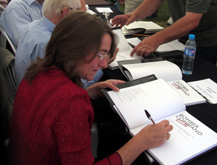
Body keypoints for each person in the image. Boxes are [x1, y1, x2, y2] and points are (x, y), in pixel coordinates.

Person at [9, 11, 172, 164]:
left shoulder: (38, 72)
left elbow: (52, 112)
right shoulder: (72, 102)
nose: (103, 63)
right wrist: (141, 142)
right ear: (74, 49)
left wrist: (88, 93)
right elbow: (65, 108)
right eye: (99, 54)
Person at [112, 0, 217, 65]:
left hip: (203, 40)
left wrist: (155, 40)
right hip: (180, 35)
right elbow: (154, 1)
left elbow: (192, 20)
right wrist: (134, 15)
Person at [14, 0, 87, 87]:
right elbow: (77, 85)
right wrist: (100, 63)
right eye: (78, 12)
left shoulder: (34, 26)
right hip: (37, 95)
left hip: (26, 90)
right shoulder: (49, 44)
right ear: (66, 12)